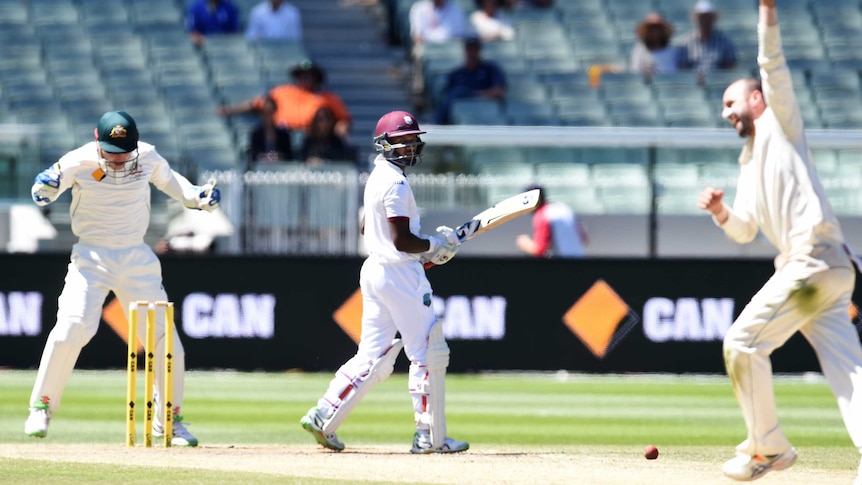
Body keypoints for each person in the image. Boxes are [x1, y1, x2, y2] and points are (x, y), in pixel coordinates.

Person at [697, 1, 862, 482]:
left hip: (812, 263)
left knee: (743, 343)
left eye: (731, 103)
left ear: (757, 101)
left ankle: (768, 448)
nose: (724, 112)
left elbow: (772, 63)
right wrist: (722, 213)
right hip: (829, 273)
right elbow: (746, 230)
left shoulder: (780, 124)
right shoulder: (750, 161)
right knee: (849, 371)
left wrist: (766, 9)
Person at [24, 111, 221, 446]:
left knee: (166, 341)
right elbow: (42, 193)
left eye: (124, 154)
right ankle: (41, 407)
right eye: (111, 155)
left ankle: (168, 422)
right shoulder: (78, 160)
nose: (118, 162)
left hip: (135, 257)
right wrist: (43, 188)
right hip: (91, 257)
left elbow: (177, 186)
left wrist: (199, 197)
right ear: (97, 141)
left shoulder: (146, 157)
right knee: (73, 326)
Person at [299, 110, 468, 454]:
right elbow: (403, 241)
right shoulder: (395, 183)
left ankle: (324, 413)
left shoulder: (377, 176)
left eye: (411, 141)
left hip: (376, 269)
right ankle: (429, 436)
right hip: (398, 272)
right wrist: (434, 246)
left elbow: (368, 228)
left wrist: (424, 252)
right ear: (384, 143)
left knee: (372, 354)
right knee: (426, 352)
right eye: (401, 141)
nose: (408, 147)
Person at [217, 60, 352, 138]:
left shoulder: (327, 97)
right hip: (283, 135)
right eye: (301, 76)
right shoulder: (282, 91)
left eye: (309, 76)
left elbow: (344, 119)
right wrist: (230, 110)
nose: (305, 79)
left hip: (312, 137)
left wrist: (341, 126)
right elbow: (256, 103)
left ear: (316, 78)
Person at [408, 0, 469, 109]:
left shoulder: (455, 9)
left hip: (450, 47)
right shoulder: (419, 8)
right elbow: (417, 36)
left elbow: (460, 36)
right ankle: (419, 91)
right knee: (419, 52)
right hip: (428, 46)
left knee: (463, 54)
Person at [433, 37, 506, 125]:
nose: (472, 53)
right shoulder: (456, 74)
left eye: (475, 49)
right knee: (455, 93)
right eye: (469, 49)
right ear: (465, 50)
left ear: (479, 50)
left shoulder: (490, 69)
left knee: (458, 92)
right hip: (459, 118)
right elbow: (446, 98)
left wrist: (472, 94)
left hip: (485, 113)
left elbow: (499, 92)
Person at [516, 185, 588, 258]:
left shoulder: (542, 214)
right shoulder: (564, 208)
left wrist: (525, 244)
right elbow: (583, 239)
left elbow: (539, 251)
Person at [676, 0, 737, 76]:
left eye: (708, 17)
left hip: (719, 83)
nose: (705, 20)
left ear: (713, 19)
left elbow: (730, 65)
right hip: (693, 84)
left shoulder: (724, 41)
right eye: (702, 17)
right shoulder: (687, 42)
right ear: (696, 19)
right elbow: (683, 67)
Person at [248, 97, 294, 167]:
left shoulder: (284, 135)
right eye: (264, 112)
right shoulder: (256, 134)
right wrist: (273, 157)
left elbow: (288, 156)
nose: (267, 116)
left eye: (270, 112)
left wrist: (270, 157)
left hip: (281, 169)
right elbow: (255, 156)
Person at [630, 12, 677, 79]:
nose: (655, 33)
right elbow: (636, 72)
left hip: (670, 85)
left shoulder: (672, 50)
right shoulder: (639, 50)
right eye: (651, 30)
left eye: (658, 29)